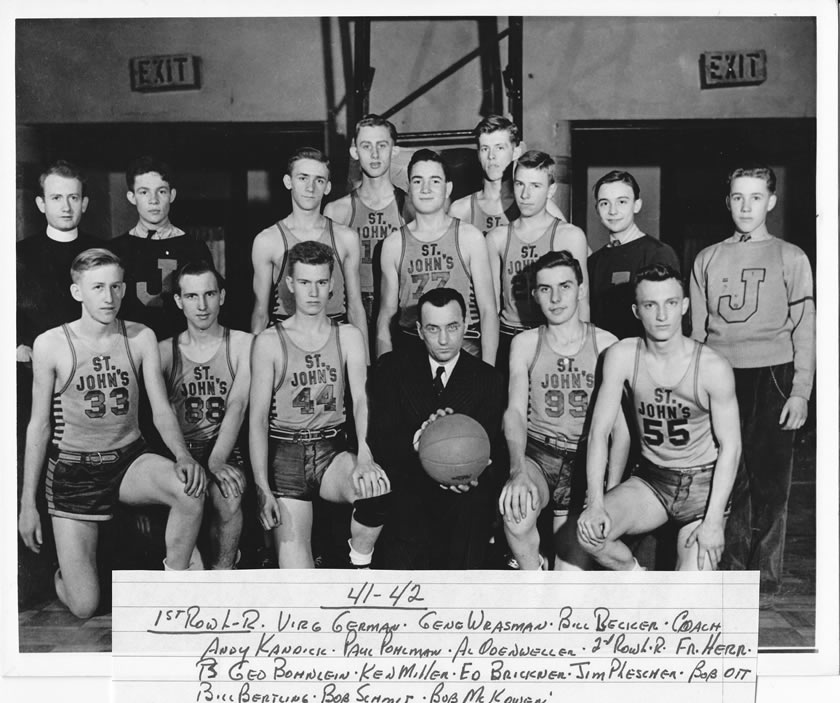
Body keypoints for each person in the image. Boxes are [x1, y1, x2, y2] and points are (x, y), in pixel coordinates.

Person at [18, 249, 205, 618]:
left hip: (128, 460)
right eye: (98, 287)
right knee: (85, 606)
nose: (109, 297)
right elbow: (38, 426)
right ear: (77, 293)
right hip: (74, 472)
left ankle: (175, 588)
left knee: (190, 489)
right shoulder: (50, 344)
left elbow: (161, 408)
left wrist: (183, 456)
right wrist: (26, 504)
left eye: (116, 287)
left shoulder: (140, 337)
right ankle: (66, 573)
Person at [689, 165, 815, 602]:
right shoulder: (707, 257)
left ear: (771, 202)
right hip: (721, 375)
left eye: (756, 197)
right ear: (727, 202)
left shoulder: (791, 256)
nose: (746, 206)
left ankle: (765, 578)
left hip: (774, 376)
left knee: (771, 480)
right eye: (738, 197)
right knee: (728, 473)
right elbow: (698, 335)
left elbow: (805, 329)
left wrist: (800, 390)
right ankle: (732, 571)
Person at [577, 264, 741, 572]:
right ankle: (637, 578)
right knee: (589, 535)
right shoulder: (622, 355)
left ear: (685, 307)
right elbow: (599, 433)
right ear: (637, 311)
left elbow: (731, 449)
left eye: (671, 303)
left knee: (688, 596)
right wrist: (596, 502)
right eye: (650, 305)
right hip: (653, 480)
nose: (662, 315)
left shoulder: (711, 366)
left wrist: (714, 521)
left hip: (703, 487)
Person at [249, 241, 390, 568]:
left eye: (321, 282)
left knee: (375, 489)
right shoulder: (269, 341)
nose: (313, 292)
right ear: (290, 285)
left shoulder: (349, 336)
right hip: (286, 457)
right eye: (304, 282)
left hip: (331, 450)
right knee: (302, 594)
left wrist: (366, 456)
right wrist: (261, 486)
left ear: (332, 285)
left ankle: (359, 564)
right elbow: (256, 420)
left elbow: (361, 402)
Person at [500, 251, 627, 570]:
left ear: (581, 290)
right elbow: (514, 412)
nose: (556, 298)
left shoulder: (607, 343)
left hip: (587, 464)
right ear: (534, 295)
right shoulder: (526, 343)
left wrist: (607, 495)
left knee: (568, 584)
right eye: (545, 289)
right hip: (540, 456)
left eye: (565, 286)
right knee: (516, 513)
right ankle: (532, 576)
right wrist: (517, 470)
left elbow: (620, 431)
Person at [370, 287, 505, 569]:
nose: (444, 339)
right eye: (433, 329)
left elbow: (492, 447)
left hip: (462, 491)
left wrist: (466, 473)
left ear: (466, 326)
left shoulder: (489, 379)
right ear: (419, 330)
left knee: (475, 503)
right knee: (399, 503)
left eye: (452, 327)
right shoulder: (392, 368)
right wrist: (422, 442)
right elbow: (382, 440)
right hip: (408, 482)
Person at [159, 262, 252, 569]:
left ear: (221, 296)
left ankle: (224, 571)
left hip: (223, 446)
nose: (202, 306)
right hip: (179, 452)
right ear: (178, 301)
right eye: (191, 296)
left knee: (229, 494)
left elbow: (237, 405)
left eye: (209, 294)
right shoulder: (164, 351)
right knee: (186, 496)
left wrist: (217, 460)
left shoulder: (242, 344)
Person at [377, 149, 499, 364]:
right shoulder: (394, 244)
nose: (425, 189)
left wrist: (488, 371)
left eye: (434, 181)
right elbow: (386, 314)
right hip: (412, 345)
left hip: (463, 345)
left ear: (447, 187)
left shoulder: (469, 237)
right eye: (417, 181)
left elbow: (488, 310)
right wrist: (384, 368)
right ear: (409, 187)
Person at [250, 147, 367, 355]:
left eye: (319, 180)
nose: (310, 187)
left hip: (334, 335)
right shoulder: (268, 240)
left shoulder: (346, 238)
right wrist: (255, 366)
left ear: (328, 187)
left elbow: (356, 307)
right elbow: (260, 313)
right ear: (289, 182)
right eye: (303, 178)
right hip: (286, 338)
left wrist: (365, 364)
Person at [486, 150, 590, 370]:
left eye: (535, 186)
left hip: (554, 336)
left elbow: (582, 303)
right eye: (519, 184)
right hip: (509, 337)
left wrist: (583, 354)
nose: (525, 194)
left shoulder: (569, 236)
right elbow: (491, 308)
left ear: (551, 190)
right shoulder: (497, 238)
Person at [324, 114, 412, 338]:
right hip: (352, 304)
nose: (374, 154)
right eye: (366, 146)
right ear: (355, 152)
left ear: (394, 150)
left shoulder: (410, 206)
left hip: (398, 302)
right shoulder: (337, 211)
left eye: (382, 145)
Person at [109, 156, 213, 342]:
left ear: (172, 195)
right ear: (131, 197)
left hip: (181, 349)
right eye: (144, 192)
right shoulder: (116, 249)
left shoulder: (194, 248)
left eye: (161, 191)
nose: (153, 200)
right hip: (131, 349)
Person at [17, 160, 102, 365]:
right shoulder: (17, 254)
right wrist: (16, 344)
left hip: (93, 362)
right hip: (37, 364)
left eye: (73, 198)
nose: (66, 207)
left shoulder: (102, 251)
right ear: (41, 204)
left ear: (84, 203)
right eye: (56, 198)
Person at [587, 170, 680, 340]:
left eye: (622, 202)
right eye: (604, 203)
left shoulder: (658, 253)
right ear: (597, 209)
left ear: (636, 205)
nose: (612, 211)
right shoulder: (593, 262)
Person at [449, 115, 566, 232]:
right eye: (485, 149)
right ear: (479, 154)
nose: (491, 156)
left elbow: (572, 243)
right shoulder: (461, 210)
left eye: (499, 148)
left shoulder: (537, 205)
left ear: (515, 152)